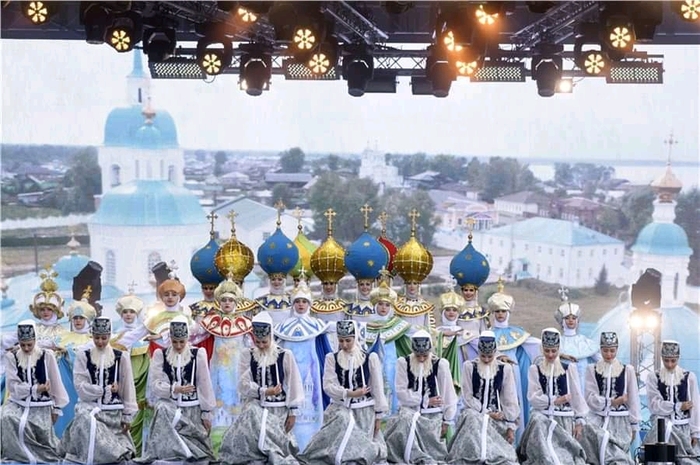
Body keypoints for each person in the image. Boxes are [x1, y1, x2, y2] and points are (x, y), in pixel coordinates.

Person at [219, 311, 303, 465]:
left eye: (264, 342)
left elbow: (294, 383)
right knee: (254, 439)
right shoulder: (248, 354)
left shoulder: (285, 355)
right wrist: (263, 391)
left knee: (276, 447)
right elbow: (243, 385)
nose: (261, 345)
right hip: (255, 408)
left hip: (278, 409)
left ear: (271, 336)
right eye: (257, 342)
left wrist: (293, 411)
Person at [300, 320, 388, 465]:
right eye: (341, 341)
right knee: (340, 423)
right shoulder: (332, 358)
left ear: (355, 338)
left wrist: (378, 416)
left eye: (348, 340)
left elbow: (377, 388)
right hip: (340, 407)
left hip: (364, 411)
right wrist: (349, 393)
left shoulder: (370, 358)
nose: (344, 345)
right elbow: (328, 385)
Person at [138, 315, 216, 464]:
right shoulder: (161, 354)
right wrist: (175, 389)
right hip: (169, 407)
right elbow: (155, 384)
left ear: (187, 338)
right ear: (170, 339)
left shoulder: (197, 354)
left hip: (191, 410)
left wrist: (206, 413)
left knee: (200, 454)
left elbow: (204, 384)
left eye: (182, 341)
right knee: (161, 407)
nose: (179, 346)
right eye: (175, 342)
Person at [62, 317, 138, 464]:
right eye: (97, 338)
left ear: (109, 336)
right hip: (89, 407)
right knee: (85, 417)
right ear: (92, 335)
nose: (100, 342)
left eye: (104, 338)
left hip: (112, 412)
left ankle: (115, 454)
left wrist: (127, 415)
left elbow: (127, 387)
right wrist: (102, 390)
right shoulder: (83, 355)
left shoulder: (120, 356)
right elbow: (80, 386)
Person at [384, 330, 458, 464]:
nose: (422, 359)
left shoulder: (440, 364)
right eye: (418, 355)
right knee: (404, 422)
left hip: (432, 415)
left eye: (425, 355)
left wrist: (447, 420)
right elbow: (401, 392)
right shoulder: (403, 363)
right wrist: (425, 401)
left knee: (432, 451)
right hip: (409, 411)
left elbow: (449, 394)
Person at [0, 319, 69, 464]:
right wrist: (35, 389)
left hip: (41, 405)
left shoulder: (46, 355)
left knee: (41, 433)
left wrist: (56, 408)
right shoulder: (12, 357)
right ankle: (17, 456)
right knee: (6, 417)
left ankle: (40, 456)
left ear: (35, 340)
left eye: (29, 344)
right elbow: (13, 386)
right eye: (22, 345)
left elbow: (56, 383)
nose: (26, 348)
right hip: (18, 403)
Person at [517, 328, 588, 465]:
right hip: (542, 420)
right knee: (545, 457)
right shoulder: (535, 369)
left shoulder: (568, 369)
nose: (550, 354)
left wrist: (579, 421)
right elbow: (533, 398)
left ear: (558, 349)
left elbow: (577, 397)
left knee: (564, 458)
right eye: (547, 350)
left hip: (563, 421)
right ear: (542, 349)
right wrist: (555, 400)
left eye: (554, 351)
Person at [447, 331, 520, 465]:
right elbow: (467, 396)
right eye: (483, 356)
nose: (486, 360)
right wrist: (486, 413)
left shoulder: (505, 369)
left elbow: (509, 398)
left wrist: (510, 425)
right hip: (473, 413)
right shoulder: (469, 366)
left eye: (490, 356)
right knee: (472, 417)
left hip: (496, 416)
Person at [275, 281, 331, 451]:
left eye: (304, 301)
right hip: (289, 372)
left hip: (311, 372)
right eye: (298, 301)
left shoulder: (317, 325)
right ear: (293, 304)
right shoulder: (283, 327)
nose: (301, 305)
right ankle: (289, 446)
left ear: (309, 304)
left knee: (311, 408)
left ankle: (310, 446)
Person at [200, 277, 253, 443]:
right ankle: (216, 444)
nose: (227, 303)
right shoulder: (211, 322)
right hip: (217, 369)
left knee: (236, 398)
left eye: (230, 300)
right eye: (224, 300)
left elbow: (252, 345)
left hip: (237, 369)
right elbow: (193, 337)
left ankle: (238, 442)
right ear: (219, 302)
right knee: (218, 398)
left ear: (236, 301)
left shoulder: (245, 323)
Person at [487, 278, 541, 433]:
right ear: (493, 313)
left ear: (508, 312)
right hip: (493, 372)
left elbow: (535, 345)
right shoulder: (487, 334)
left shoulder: (517, 333)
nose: (500, 314)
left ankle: (517, 439)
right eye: (497, 311)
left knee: (513, 400)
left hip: (514, 373)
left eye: (503, 311)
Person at [579, 331, 640, 465]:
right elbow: (590, 397)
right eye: (605, 351)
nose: (608, 354)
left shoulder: (627, 370)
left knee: (617, 456)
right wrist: (611, 402)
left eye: (612, 351)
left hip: (620, 422)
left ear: (617, 349)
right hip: (597, 419)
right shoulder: (592, 369)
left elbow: (633, 399)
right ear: (600, 350)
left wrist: (634, 425)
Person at [643, 340, 700, 465]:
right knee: (660, 460)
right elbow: (654, 405)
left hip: (683, 428)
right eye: (666, 360)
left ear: (678, 358)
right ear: (662, 358)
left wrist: (695, 432)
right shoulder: (654, 377)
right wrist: (677, 406)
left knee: (686, 460)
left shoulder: (689, 377)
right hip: (662, 429)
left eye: (673, 361)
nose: (669, 364)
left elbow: (695, 407)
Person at [110, 289, 151, 454]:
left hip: (142, 379)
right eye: (125, 312)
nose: (128, 315)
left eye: (132, 312)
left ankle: (140, 449)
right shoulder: (114, 336)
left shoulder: (145, 337)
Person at [365, 274, 411, 415]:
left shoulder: (397, 324)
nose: (383, 308)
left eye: (387, 305)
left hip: (391, 365)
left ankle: (392, 418)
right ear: (374, 305)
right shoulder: (366, 325)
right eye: (380, 304)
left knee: (392, 387)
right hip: (372, 365)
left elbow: (415, 334)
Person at [448, 228, 491, 360]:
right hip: (458, 349)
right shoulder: (455, 309)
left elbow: (484, 332)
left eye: (471, 290)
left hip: (477, 350)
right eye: (465, 290)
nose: (468, 293)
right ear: (461, 291)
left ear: (476, 291)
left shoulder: (481, 312)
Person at [310, 207, 348, 351]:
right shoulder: (314, 307)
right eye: (326, 283)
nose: (329, 286)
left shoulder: (344, 306)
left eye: (331, 283)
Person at [392, 210, 435, 335]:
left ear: (419, 285)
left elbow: (431, 330)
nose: (412, 286)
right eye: (409, 283)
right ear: (405, 285)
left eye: (415, 283)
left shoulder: (426, 307)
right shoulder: (397, 306)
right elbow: (393, 331)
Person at [344, 208, 390, 325]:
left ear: (373, 284)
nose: (365, 287)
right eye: (362, 284)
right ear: (357, 285)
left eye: (368, 284)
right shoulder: (349, 309)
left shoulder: (380, 308)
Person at [256, 207, 300, 326]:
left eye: (279, 279)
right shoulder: (261, 302)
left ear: (284, 280)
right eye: (274, 279)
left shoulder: (293, 301)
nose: (276, 282)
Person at [555, 287, 599, 392]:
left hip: (582, 384)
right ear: (562, 320)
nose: (571, 320)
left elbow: (600, 359)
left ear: (577, 321)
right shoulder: (557, 341)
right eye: (567, 318)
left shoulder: (583, 342)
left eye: (574, 318)